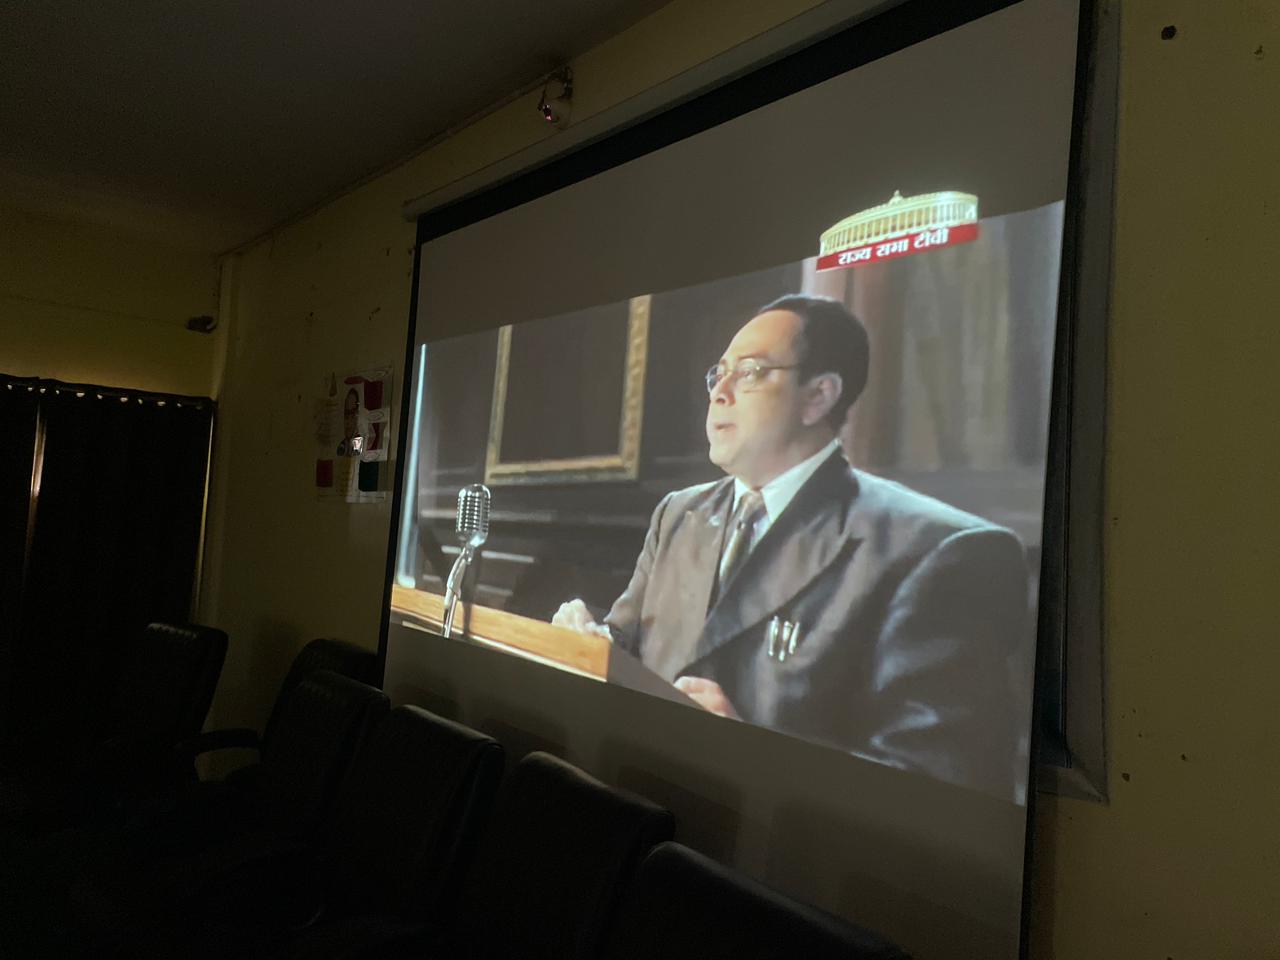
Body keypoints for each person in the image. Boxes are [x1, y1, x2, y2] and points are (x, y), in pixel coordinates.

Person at [554, 294, 1029, 796]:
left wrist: (750, 753)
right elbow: (628, 644)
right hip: (634, 799)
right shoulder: (679, 513)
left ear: (818, 396)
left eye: (750, 372)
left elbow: (941, 785)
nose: (721, 393)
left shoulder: (940, 550)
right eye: (719, 374)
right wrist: (587, 643)